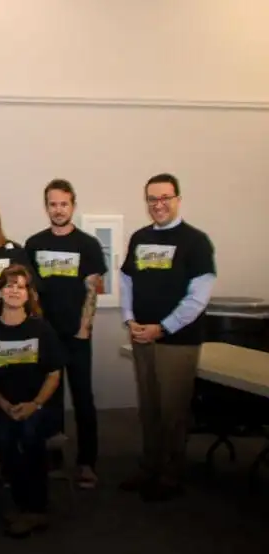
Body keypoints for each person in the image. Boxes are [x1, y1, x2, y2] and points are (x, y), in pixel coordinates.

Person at [119, 173, 216, 502]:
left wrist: (163, 327)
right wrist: (130, 320)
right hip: (141, 336)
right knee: (148, 407)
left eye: (164, 198)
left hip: (177, 341)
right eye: (152, 199)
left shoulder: (196, 241)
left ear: (177, 199)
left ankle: (170, 475)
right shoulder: (139, 238)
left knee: (172, 410)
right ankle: (149, 466)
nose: (158, 205)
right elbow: (127, 281)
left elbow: (198, 296)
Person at [25, 179, 107, 488]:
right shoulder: (34, 244)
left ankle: (87, 462)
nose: (58, 210)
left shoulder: (87, 244)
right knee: (50, 398)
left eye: (63, 204)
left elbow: (93, 290)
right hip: (46, 336)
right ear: (46, 206)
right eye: (52, 204)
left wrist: (84, 328)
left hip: (77, 335)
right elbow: (31, 292)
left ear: (73, 205)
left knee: (83, 397)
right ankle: (54, 459)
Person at [0, 265, 64, 538]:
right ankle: (21, 504)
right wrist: (4, 405)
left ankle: (36, 508)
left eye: (21, 286)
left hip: (39, 405)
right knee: (5, 440)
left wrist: (35, 404)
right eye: (9, 285)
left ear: (29, 294)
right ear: (1, 292)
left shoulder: (42, 329)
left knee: (30, 434)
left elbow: (54, 374)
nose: (15, 290)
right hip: (2, 406)